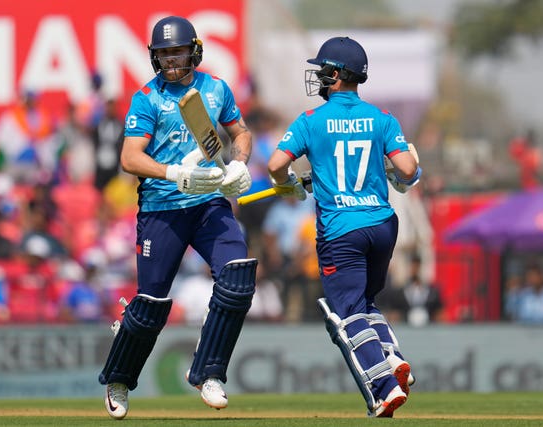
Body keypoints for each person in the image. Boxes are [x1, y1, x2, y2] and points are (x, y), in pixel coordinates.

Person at [98, 16, 255, 420]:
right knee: (150, 306)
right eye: (164, 53)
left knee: (238, 277)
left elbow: (240, 133)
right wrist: (174, 173)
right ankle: (119, 376)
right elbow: (129, 158)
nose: (171, 60)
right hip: (161, 210)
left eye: (178, 51)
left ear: (194, 51)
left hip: (208, 205)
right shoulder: (147, 98)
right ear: (154, 57)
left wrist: (239, 163)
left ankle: (209, 372)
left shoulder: (216, 88)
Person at [267, 36, 421, 418]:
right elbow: (407, 171)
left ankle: (385, 386)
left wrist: (288, 182)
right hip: (382, 225)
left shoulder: (310, 121)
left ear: (336, 75)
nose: (318, 77)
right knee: (365, 303)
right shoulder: (382, 118)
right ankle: (392, 355)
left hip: (341, 229)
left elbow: (274, 166)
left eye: (323, 71)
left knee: (346, 312)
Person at [379, 253, 444, 326]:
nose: (415, 270)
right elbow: (393, 313)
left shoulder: (432, 292)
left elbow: (440, 313)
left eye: (417, 266)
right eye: (413, 266)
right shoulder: (400, 293)